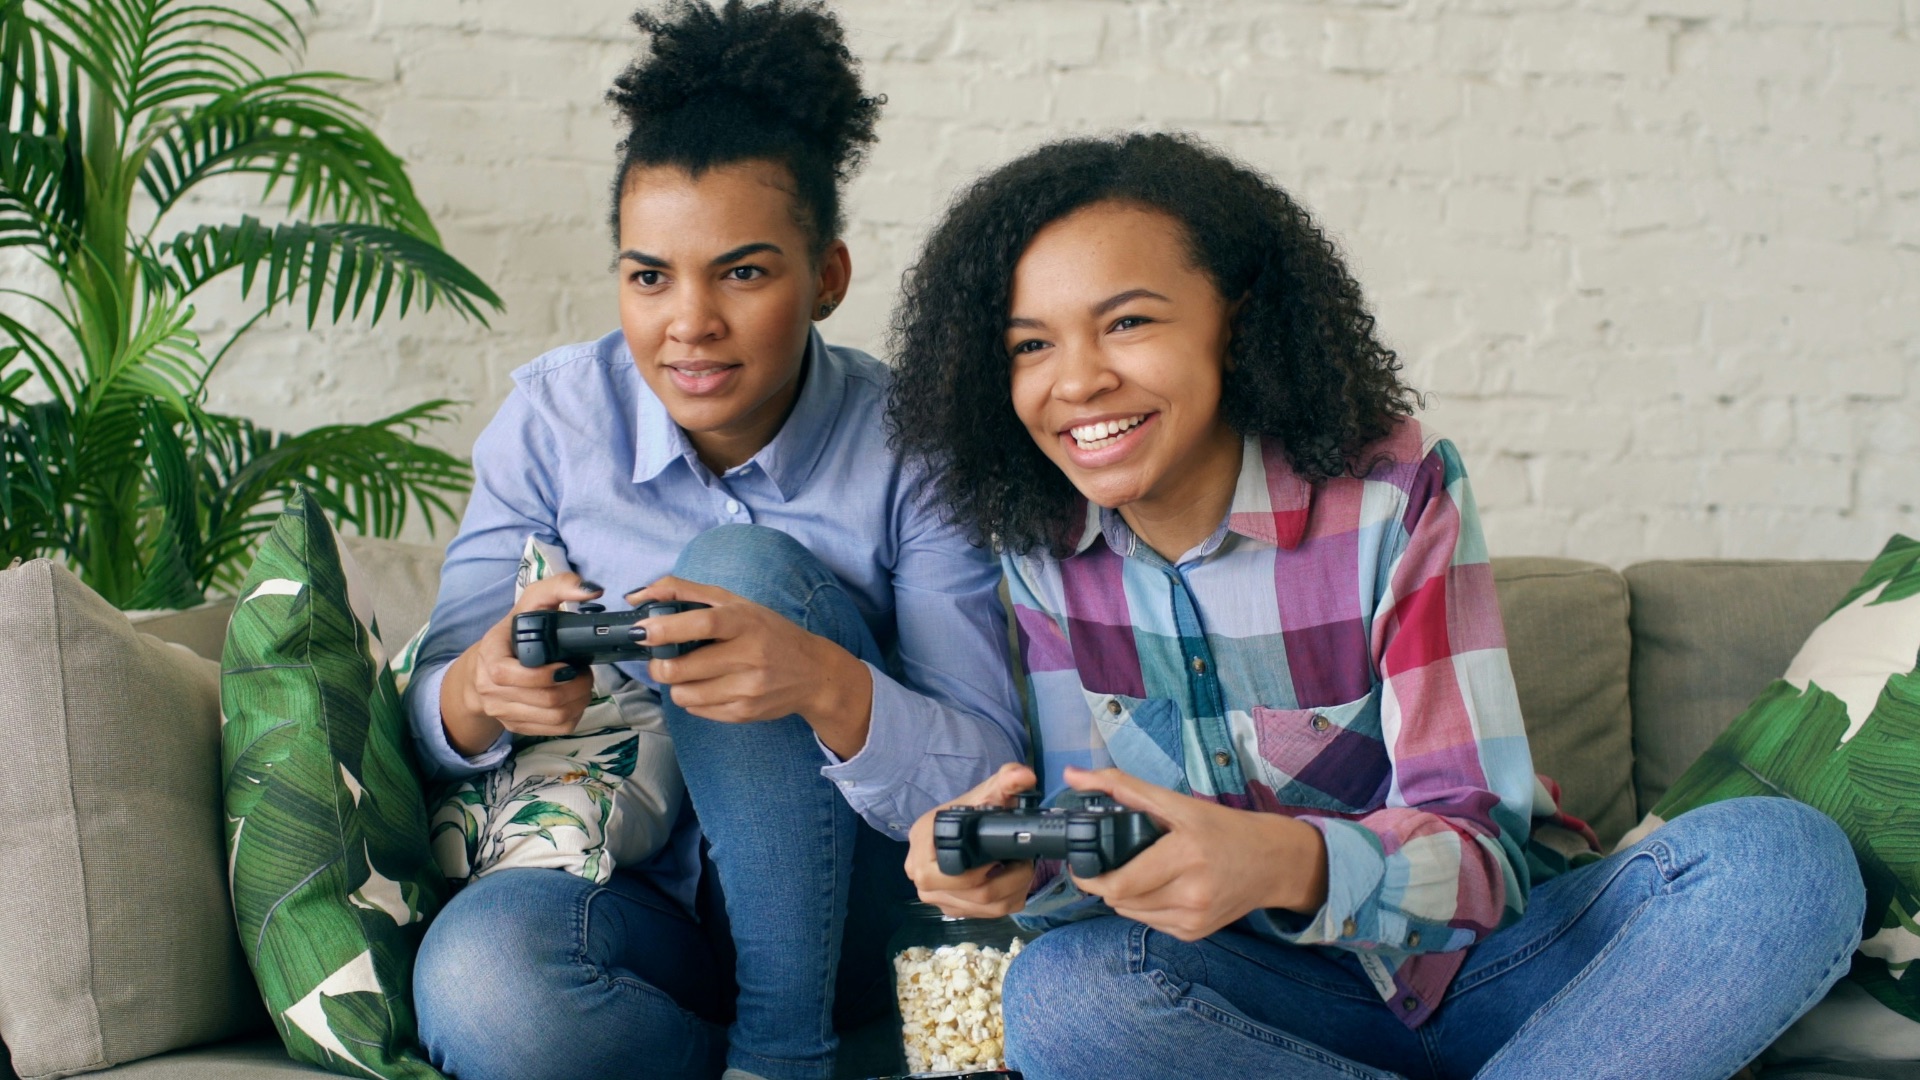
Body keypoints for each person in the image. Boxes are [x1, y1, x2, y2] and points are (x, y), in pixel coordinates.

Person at [885, 131, 1865, 1080]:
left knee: (1780, 867)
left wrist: (1278, 860)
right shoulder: (1043, 549)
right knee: (1063, 995)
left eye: (1128, 322)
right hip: (1266, 1005)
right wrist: (1023, 870)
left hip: (1509, 971)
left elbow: (1483, 856)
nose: (1078, 378)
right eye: (1029, 345)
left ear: (1234, 315)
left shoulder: (1390, 492)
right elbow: (1097, 836)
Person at [405, 4, 1024, 1079]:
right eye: (649, 276)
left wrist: (828, 685)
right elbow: (424, 715)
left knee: (735, 576)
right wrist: (483, 686)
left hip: (857, 922)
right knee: (482, 991)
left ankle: (786, 1054)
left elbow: (992, 777)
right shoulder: (553, 425)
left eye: (742, 273)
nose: (687, 321)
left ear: (826, 276)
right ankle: (818, 1061)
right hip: (644, 907)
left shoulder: (916, 446)